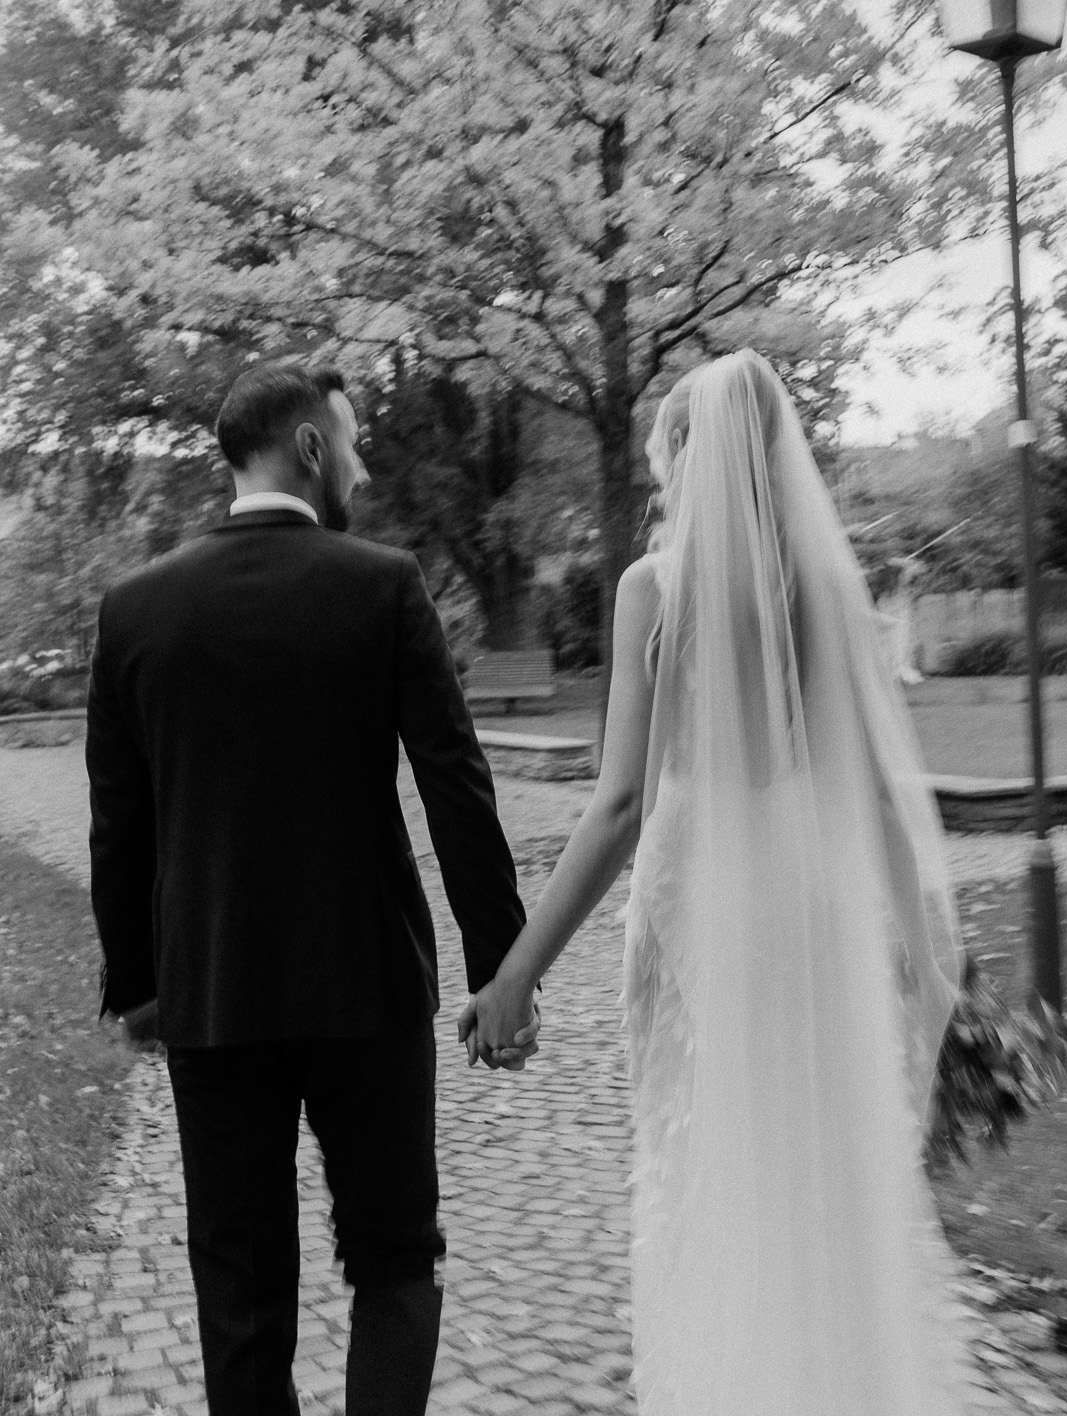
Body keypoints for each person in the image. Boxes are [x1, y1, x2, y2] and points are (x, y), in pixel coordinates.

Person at [461, 348, 973, 1415]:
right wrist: (927, 959)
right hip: (803, 898)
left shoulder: (656, 588)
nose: (657, 473)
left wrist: (515, 975)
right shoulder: (830, 589)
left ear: (691, 454)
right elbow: (881, 792)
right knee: (808, 1161)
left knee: (701, 1169)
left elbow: (618, 807)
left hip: (696, 899)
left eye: (665, 450)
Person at [86, 357, 536, 1416]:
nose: (365, 469)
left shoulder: (137, 609)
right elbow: (455, 785)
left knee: (238, 1288)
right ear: (310, 447)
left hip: (213, 994)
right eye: (354, 443)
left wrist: (141, 987)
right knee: (394, 1257)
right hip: (366, 990)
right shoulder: (381, 583)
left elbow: (120, 821)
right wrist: (503, 968)